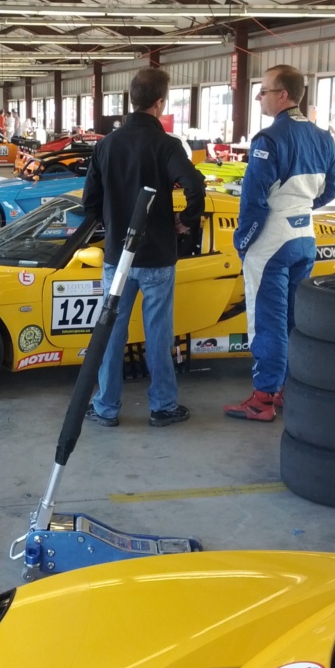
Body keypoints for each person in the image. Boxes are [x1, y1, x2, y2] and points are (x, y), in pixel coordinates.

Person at [82, 68, 206, 428]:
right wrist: (187, 218)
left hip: (116, 259)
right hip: (156, 257)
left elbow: (90, 202)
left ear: (131, 99)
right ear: (160, 103)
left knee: (110, 332)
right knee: (158, 334)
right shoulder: (166, 145)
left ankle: (106, 407)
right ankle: (163, 406)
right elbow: (195, 185)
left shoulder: (106, 145)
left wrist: (111, 225)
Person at [224, 64, 335, 422]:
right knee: (294, 320)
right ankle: (289, 388)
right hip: (306, 235)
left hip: (271, 239)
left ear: (283, 95)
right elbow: (330, 191)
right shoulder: (324, 138)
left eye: (264, 91)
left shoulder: (268, 140)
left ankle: (262, 399)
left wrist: (242, 241)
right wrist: (299, 208)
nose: (260, 97)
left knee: (266, 320)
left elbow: (253, 200)